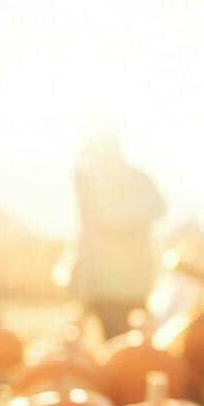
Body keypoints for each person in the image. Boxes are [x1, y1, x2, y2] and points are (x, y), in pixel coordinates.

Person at [71, 132, 166, 339]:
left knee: (125, 341)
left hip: (129, 283)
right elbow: (87, 231)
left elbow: (158, 207)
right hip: (101, 283)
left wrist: (118, 223)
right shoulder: (90, 180)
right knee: (109, 342)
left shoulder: (135, 179)